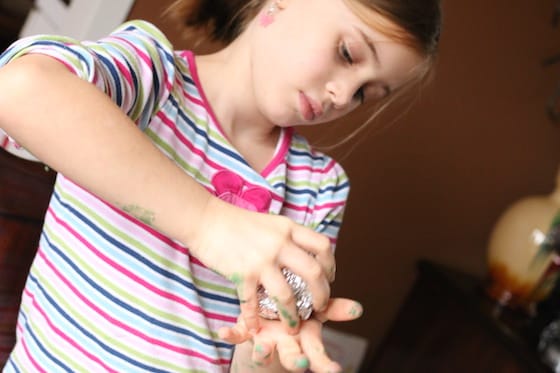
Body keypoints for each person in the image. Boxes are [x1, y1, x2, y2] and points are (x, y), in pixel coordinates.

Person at [0, 0, 441, 371]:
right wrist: (208, 222)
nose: (344, 96)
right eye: (347, 53)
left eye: (367, 93)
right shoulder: (152, 76)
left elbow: (259, 356)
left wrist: (274, 338)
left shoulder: (320, 186)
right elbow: (18, 90)